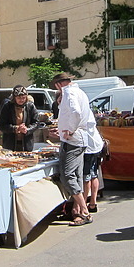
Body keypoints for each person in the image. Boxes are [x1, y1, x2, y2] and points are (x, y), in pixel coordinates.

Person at [50, 72, 102, 226]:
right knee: (77, 175)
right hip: (80, 138)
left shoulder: (69, 92)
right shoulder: (79, 92)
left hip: (73, 139)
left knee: (67, 175)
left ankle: (84, 211)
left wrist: (69, 129)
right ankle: (76, 210)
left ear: (59, 84)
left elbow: (75, 112)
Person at [0, 85, 39, 151]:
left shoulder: (30, 106)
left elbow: (36, 123)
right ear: (14, 98)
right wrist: (15, 128)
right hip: (10, 143)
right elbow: (2, 125)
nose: (21, 100)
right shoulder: (7, 107)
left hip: (26, 143)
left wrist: (27, 130)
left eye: (23, 98)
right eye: (19, 98)